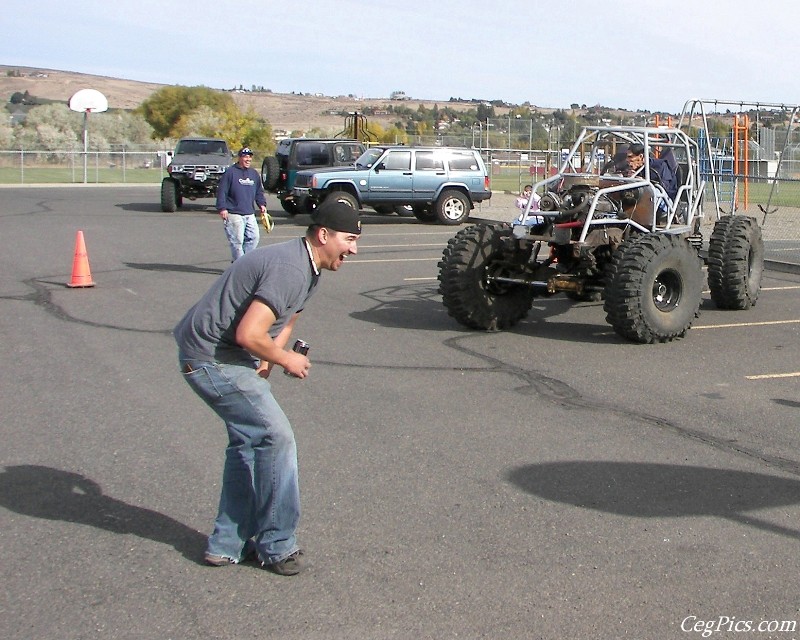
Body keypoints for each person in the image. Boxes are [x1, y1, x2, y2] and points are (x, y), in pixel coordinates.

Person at [174, 200, 362, 576]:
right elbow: (249, 333)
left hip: (226, 354)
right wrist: (286, 359)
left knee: (248, 441)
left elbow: (286, 319)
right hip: (210, 356)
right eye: (349, 239)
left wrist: (268, 360)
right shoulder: (291, 268)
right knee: (276, 437)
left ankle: (227, 545)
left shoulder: (310, 269)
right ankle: (277, 545)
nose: (354, 249)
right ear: (323, 235)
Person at [216, 147, 267, 261]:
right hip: (234, 213)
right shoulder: (230, 172)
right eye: (245, 157)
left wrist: (262, 204)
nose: (248, 159)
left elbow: (258, 191)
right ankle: (240, 266)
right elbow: (222, 191)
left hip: (249, 212)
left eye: (249, 157)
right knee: (237, 241)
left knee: (254, 238)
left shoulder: (253, 174)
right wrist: (222, 208)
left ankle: (243, 261)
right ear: (239, 158)